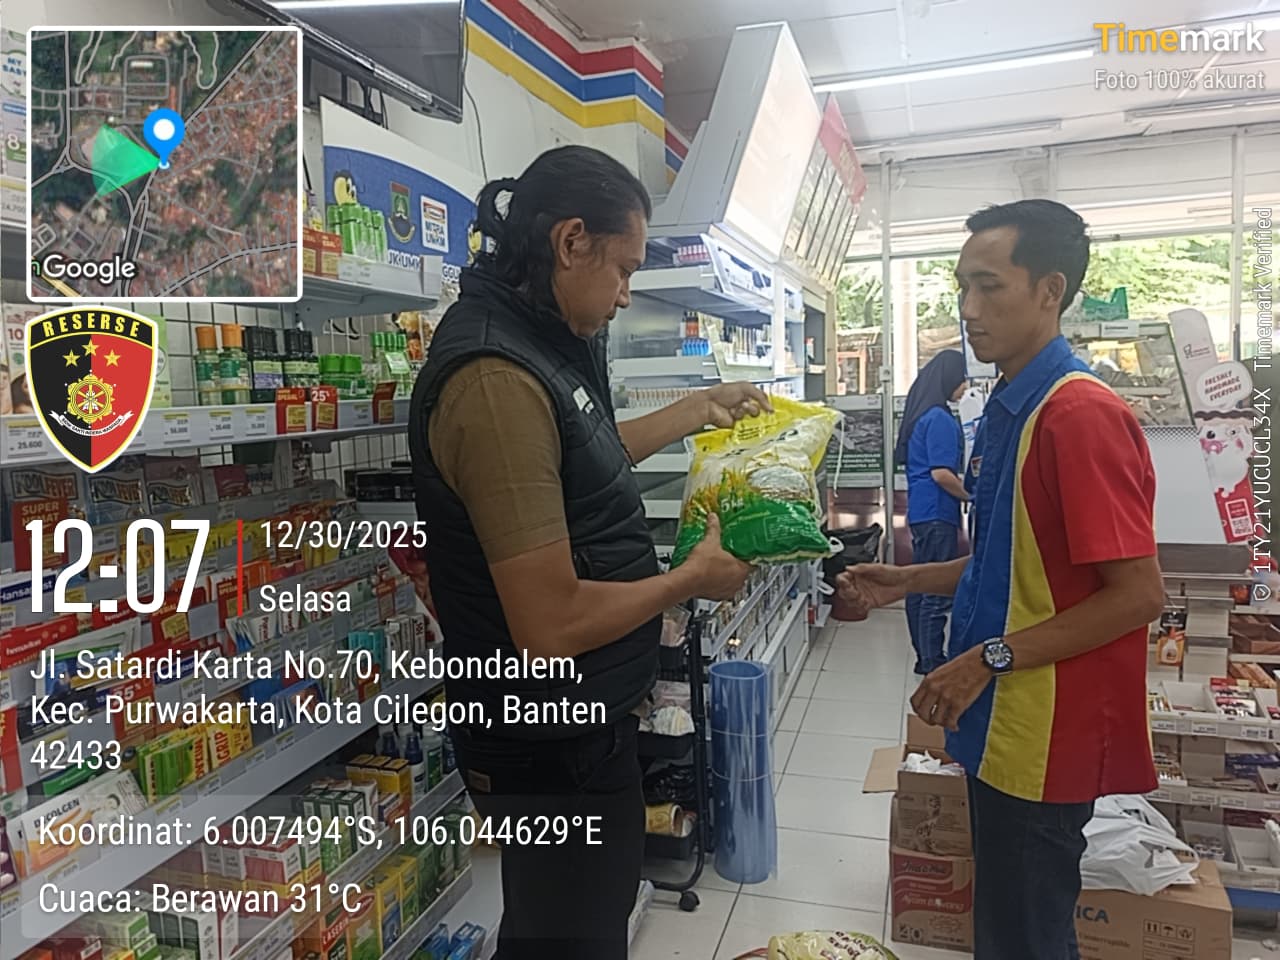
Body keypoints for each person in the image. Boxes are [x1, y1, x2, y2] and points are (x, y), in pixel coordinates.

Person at [408, 145, 769, 959]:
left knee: (559, 927)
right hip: (545, 739)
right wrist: (688, 579)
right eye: (624, 269)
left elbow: (580, 464)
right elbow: (548, 624)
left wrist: (696, 408)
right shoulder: (495, 380)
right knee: (571, 936)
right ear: (571, 241)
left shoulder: (541, 342)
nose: (626, 293)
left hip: (574, 724)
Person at [838, 199, 1163, 960]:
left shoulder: (1077, 415)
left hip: (1046, 736)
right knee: (1005, 928)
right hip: (1002, 725)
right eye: (963, 288)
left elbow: (1138, 594)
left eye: (990, 287)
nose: (969, 310)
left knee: (1028, 936)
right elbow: (1008, 563)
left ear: (1050, 291)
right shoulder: (1012, 409)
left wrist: (987, 658)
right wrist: (908, 579)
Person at [895, 349, 968, 675]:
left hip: (923, 512)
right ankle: (933, 661)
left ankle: (923, 656)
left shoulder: (922, 415)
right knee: (935, 590)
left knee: (919, 584)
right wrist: (971, 495)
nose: (965, 387)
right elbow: (941, 474)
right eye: (963, 379)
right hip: (938, 513)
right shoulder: (939, 418)